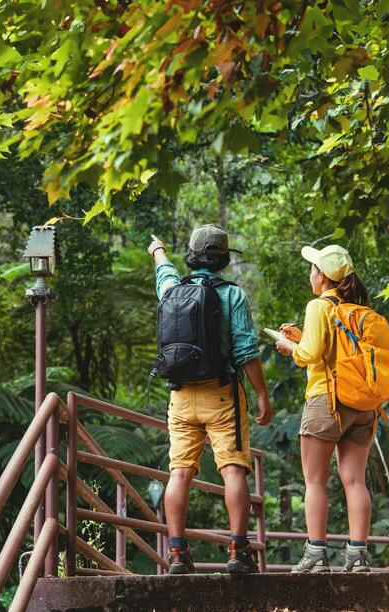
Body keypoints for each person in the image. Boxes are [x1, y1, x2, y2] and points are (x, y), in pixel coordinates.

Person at [149, 225, 273, 576]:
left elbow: (164, 271)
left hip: (181, 396)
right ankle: (238, 550)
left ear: (192, 253)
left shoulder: (173, 289)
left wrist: (158, 249)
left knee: (180, 472)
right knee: (232, 469)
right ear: (222, 257)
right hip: (222, 394)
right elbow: (246, 351)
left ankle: (177, 554)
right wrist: (262, 394)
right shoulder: (232, 295)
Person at [272, 243, 376, 573]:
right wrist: (304, 338)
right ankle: (358, 555)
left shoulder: (319, 306)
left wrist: (291, 347)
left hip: (326, 401)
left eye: (312, 269)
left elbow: (311, 355)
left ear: (322, 276)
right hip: (362, 404)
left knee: (315, 481)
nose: (310, 274)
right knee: (354, 480)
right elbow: (333, 349)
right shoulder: (359, 311)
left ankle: (317, 553)